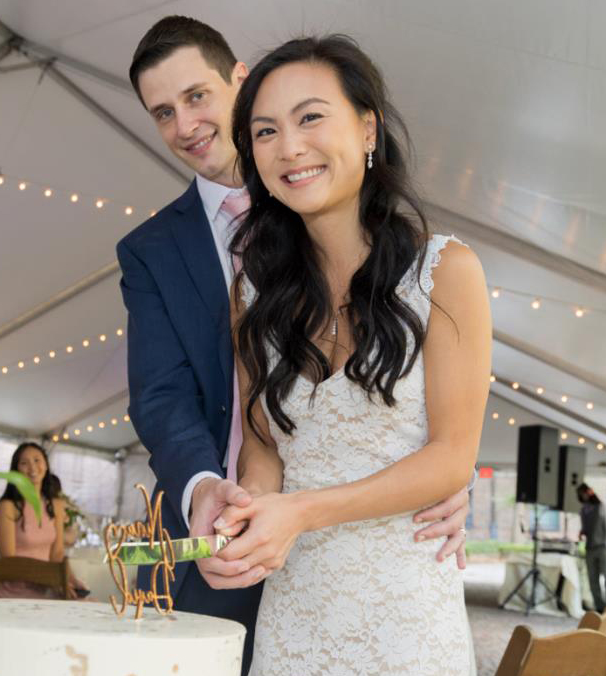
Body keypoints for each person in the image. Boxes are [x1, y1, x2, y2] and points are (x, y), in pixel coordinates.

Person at [119, 18, 473, 673]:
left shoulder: (434, 264)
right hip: (233, 553)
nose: (185, 124)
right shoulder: (190, 268)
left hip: (394, 597)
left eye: (196, 97)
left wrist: (438, 477)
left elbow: (444, 440)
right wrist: (211, 493)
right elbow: (168, 398)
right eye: (162, 113)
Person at [208, 35, 490, 675]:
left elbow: (452, 458)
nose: (290, 147)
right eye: (265, 131)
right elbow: (262, 448)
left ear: (368, 129)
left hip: (407, 617)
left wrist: (299, 512)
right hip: (295, 613)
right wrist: (248, 513)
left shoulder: (445, 273)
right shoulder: (252, 291)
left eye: (311, 117)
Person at [0, 442, 74, 599]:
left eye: (37, 460)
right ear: (16, 471)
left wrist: (67, 580)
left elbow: (58, 553)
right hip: (14, 592)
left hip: (46, 587)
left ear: (46, 465)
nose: (32, 468)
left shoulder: (56, 505)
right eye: (24, 463)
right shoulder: (7, 506)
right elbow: (9, 561)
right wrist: (51, 579)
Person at [577, 482, 606, 611]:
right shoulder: (583, 510)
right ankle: (600, 606)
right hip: (590, 548)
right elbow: (586, 528)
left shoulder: (602, 506)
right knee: (592, 579)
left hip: (603, 547)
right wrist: (582, 532)